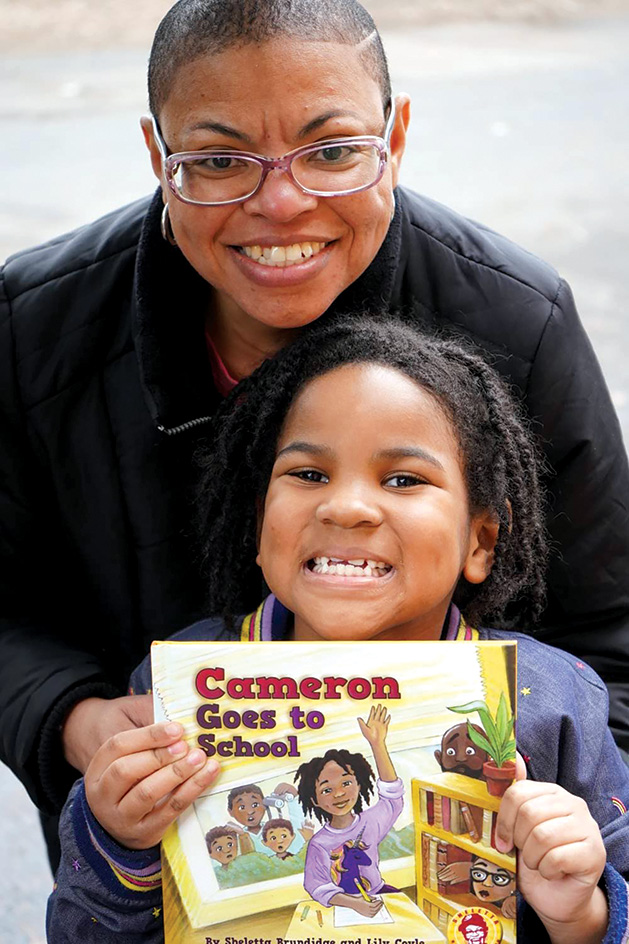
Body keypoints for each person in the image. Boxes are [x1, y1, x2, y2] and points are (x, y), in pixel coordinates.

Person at [1, 0, 628, 869]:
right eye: (220, 161)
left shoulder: (515, 322)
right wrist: (77, 718)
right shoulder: (34, 329)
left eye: (331, 152)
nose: (283, 204)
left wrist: (565, 851)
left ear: (394, 134)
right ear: (158, 153)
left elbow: (610, 638)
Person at [47, 319, 629, 944]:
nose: (345, 506)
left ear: (480, 540)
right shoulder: (177, 692)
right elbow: (81, 929)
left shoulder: (554, 701)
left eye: (404, 479)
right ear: (259, 521)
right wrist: (116, 842)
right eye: (308, 474)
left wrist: (582, 914)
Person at [295, 706, 402, 917]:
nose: (339, 794)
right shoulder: (320, 843)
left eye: (346, 782)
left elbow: (392, 796)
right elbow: (316, 885)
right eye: (327, 789)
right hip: (340, 906)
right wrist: (354, 904)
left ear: (359, 784)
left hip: (378, 894)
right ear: (314, 800)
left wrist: (378, 745)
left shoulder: (371, 822)